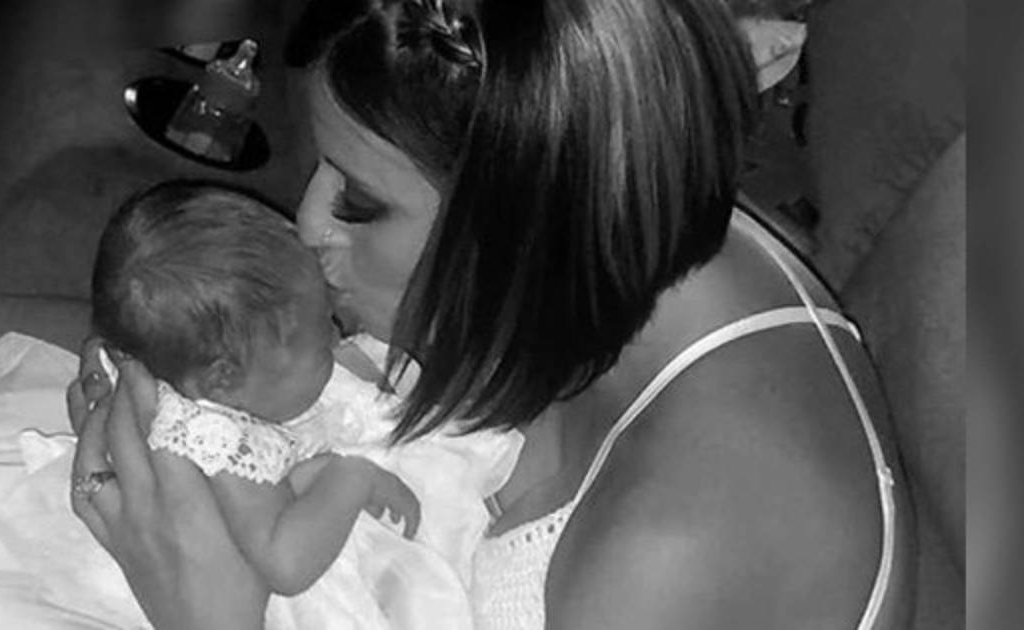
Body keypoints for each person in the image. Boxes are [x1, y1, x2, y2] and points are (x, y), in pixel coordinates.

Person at [68, 0, 916, 628]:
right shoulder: (616, 223)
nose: (308, 224)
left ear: (522, 219)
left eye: (359, 200)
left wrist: (203, 612)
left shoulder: (672, 551)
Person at [46, 180, 517, 627]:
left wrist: (318, 470)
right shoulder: (210, 436)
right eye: (319, 338)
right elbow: (285, 562)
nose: (335, 337)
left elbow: (277, 484)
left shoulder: (197, 397)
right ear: (224, 378)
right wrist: (353, 475)